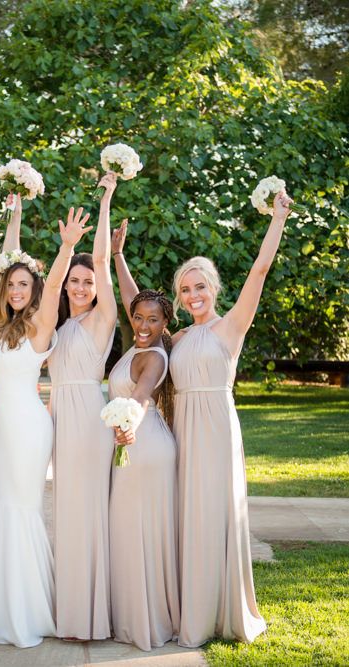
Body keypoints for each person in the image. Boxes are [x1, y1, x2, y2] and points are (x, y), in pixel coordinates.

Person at [113, 189, 293, 647]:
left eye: (200, 286)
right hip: (181, 432)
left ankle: (217, 612)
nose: (193, 294)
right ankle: (190, 610)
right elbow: (139, 306)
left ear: (214, 290)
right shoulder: (173, 338)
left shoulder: (230, 327)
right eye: (185, 289)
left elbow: (260, 270)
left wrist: (278, 219)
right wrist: (117, 257)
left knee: (213, 514)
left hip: (215, 430)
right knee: (186, 518)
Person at [0, 198, 93, 648]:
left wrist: (66, 248)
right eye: (11, 285)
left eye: (24, 284)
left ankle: (26, 612)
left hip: (29, 429)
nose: (16, 290)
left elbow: (55, 277)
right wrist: (15, 212)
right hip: (3, 432)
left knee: (22, 509)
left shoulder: (41, 323)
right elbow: (9, 261)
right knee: (2, 508)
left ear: (36, 288)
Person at [47, 173, 118, 641]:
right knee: (67, 511)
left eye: (86, 280)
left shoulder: (102, 319)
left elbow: (101, 262)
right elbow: (43, 283)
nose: (78, 285)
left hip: (90, 421)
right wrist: (63, 250)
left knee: (90, 510)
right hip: (59, 422)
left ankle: (92, 612)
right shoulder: (54, 326)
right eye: (73, 279)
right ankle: (69, 609)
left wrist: (107, 199)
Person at [106, 287, 180, 651]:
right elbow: (132, 295)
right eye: (138, 317)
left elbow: (142, 393)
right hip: (138, 445)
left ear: (166, 322)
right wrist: (118, 256)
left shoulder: (152, 357)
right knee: (132, 529)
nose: (144, 324)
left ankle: (146, 622)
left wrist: (129, 421)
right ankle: (138, 616)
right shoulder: (138, 345)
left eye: (153, 319)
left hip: (143, 447)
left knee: (138, 531)